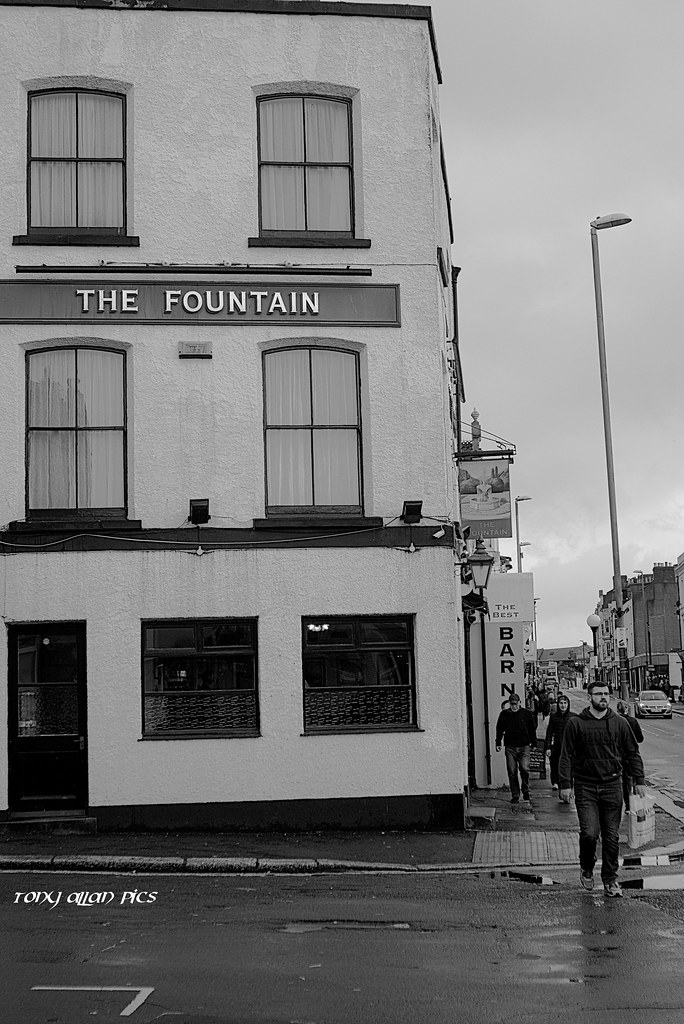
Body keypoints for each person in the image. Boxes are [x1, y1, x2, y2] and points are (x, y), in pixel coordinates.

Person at [559, 681, 646, 898]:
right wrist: (565, 784)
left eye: (606, 694)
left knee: (611, 836)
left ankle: (610, 879)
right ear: (589, 697)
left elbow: (632, 753)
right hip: (585, 786)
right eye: (598, 694)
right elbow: (566, 755)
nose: (603, 698)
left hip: (612, 785)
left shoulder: (620, 723)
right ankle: (587, 866)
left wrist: (640, 780)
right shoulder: (576, 724)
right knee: (589, 833)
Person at [495, 692, 538, 804]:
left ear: (520, 703)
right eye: (512, 704)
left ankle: (525, 789)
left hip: (524, 746)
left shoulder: (526, 714)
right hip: (510, 747)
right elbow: (499, 729)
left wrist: (534, 743)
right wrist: (498, 742)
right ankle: (515, 794)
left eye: (516, 704)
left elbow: (532, 729)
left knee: (524, 769)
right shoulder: (504, 714)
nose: (514, 706)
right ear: (510, 704)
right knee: (512, 771)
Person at [544, 693, 575, 793]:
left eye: (565, 703)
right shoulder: (554, 717)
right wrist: (548, 747)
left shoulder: (573, 717)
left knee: (569, 766)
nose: (563, 705)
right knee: (555, 764)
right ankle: (556, 782)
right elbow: (549, 732)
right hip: (556, 745)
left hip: (569, 747)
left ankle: (568, 783)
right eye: (561, 703)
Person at [616, 700, 644, 810]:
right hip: (631, 755)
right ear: (628, 709)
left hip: (619, 756)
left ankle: (628, 805)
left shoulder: (616, 721)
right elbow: (640, 738)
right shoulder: (633, 721)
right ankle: (636, 804)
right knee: (635, 780)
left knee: (624, 782)